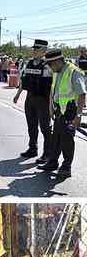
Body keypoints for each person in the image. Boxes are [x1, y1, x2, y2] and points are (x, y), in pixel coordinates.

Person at [38, 48, 87, 178]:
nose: (49, 67)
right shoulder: (57, 71)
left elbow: (82, 94)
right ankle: (53, 162)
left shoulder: (74, 72)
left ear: (58, 61)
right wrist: (51, 107)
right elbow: (53, 90)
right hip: (60, 109)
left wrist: (78, 116)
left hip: (71, 111)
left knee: (67, 140)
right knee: (56, 138)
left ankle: (66, 167)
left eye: (50, 64)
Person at [13, 40, 52, 163]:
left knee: (45, 128)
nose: (34, 51)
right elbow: (24, 81)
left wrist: (51, 104)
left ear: (44, 51)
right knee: (32, 126)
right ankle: (32, 148)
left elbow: (51, 86)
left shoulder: (48, 65)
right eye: (34, 48)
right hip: (30, 98)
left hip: (43, 100)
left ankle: (47, 154)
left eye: (37, 49)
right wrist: (18, 94)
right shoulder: (29, 63)